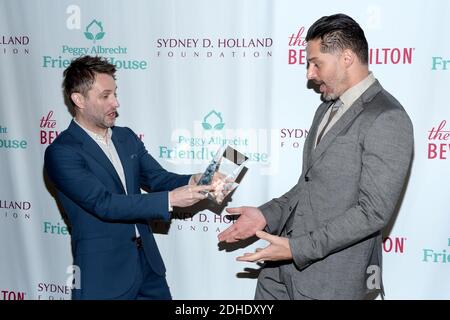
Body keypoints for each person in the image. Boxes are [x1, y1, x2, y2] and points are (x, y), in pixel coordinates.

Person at [218, 13, 414, 300]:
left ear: (346, 58)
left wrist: (297, 249)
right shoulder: (326, 107)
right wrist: (266, 214)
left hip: (331, 282)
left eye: (316, 63)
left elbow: (373, 212)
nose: (310, 74)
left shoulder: (387, 117)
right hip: (278, 272)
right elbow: (308, 185)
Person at [44, 55, 221, 300]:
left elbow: (158, 178)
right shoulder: (62, 152)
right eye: (105, 96)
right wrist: (169, 200)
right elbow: (103, 204)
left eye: (115, 93)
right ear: (78, 99)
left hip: (148, 267)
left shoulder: (126, 137)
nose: (115, 102)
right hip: (103, 275)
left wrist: (195, 180)